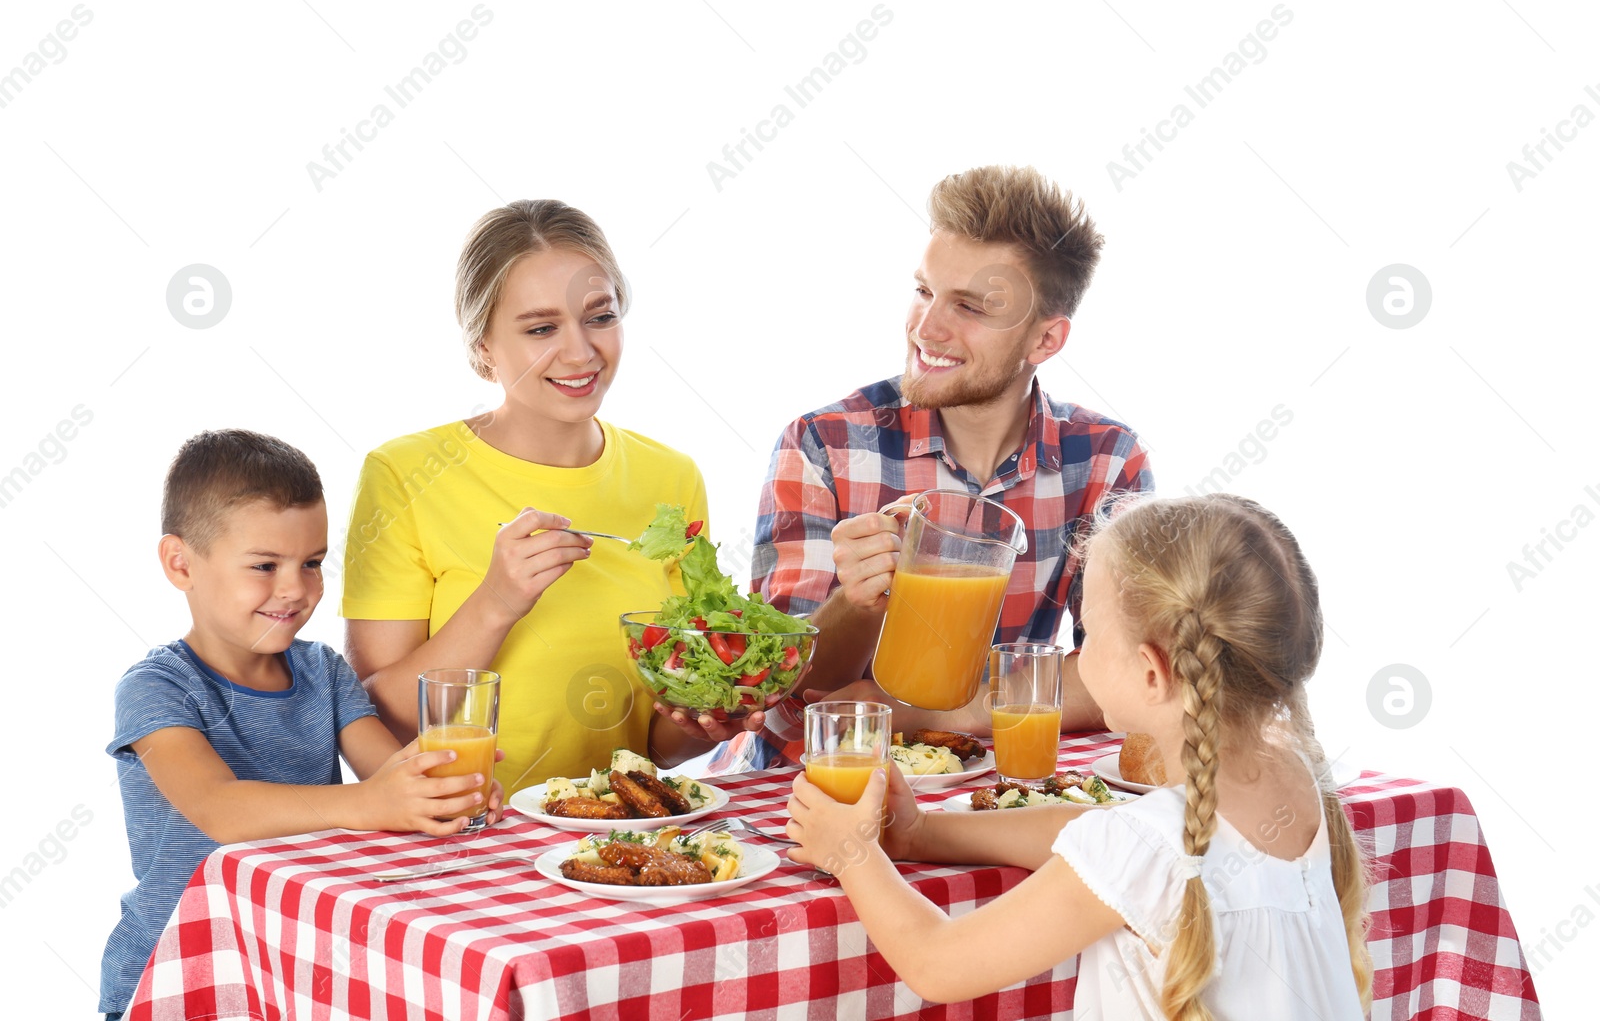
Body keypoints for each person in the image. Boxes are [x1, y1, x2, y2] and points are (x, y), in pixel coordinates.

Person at [785, 493, 1371, 1018]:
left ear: (1150, 672)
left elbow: (937, 965)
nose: (1075, 657)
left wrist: (853, 854)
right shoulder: (1298, 787)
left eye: (1087, 633)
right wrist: (922, 836)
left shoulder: (1146, 846)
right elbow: (1099, 829)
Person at [715, 164, 1153, 770]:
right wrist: (857, 602)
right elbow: (781, 694)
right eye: (924, 291)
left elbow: (1135, 672)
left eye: (969, 307)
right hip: (800, 785)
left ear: (1045, 340)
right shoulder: (825, 444)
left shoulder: (1105, 459)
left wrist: (941, 715)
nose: (927, 328)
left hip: (983, 787)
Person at [341, 199, 751, 797]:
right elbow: (377, 720)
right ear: (483, 345)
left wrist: (708, 724)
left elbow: (655, 745)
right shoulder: (404, 474)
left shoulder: (672, 479)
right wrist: (496, 602)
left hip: (611, 827)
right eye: (540, 329)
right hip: (465, 834)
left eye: (600, 317)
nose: (582, 352)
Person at [100, 430, 502, 1020]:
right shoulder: (158, 687)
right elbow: (222, 810)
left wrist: (438, 789)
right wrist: (372, 803)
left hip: (293, 960)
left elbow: (391, 775)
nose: (296, 589)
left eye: (312, 563)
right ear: (180, 563)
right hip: (180, 974)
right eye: (265, 565)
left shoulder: (322, 673)